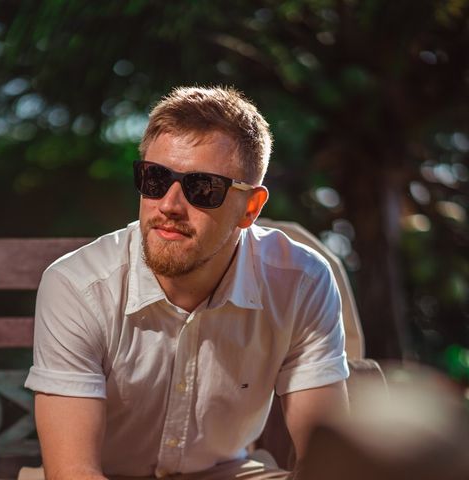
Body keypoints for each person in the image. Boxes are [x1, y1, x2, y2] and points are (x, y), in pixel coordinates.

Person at [24, 86, 350, 480]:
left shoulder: (301, 282)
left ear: (250, 208)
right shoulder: (77, 286)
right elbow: (74, 474)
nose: (169, 206)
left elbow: (329, 463)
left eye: (202, 188)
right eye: (155, 178)